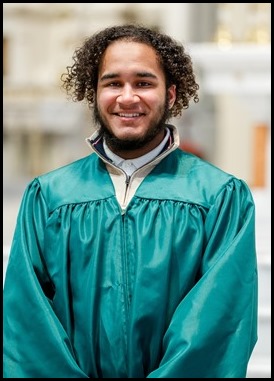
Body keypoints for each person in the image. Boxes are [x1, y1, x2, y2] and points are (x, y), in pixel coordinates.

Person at [3, 24, 258, 378]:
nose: (127, 97)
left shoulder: (218, 197)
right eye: (112, 83)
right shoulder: (50, 197)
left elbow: (219, 321)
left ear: (170, 95)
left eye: (143, 83)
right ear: (93, 93)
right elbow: (26, 322)